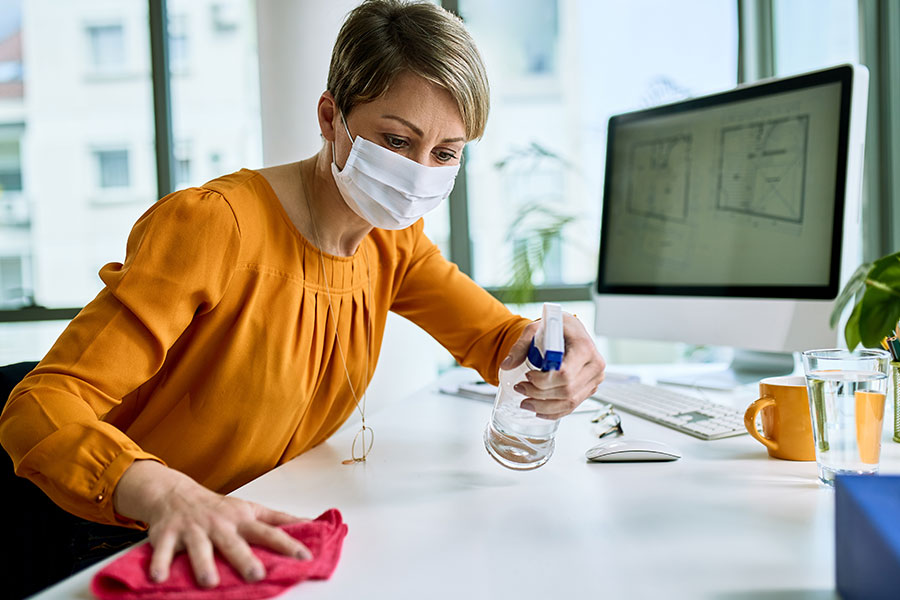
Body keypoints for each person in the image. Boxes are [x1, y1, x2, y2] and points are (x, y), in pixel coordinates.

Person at [0, 0, 606, 596]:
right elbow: (41, 403)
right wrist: (166, 493)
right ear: (329, 116)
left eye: (445, 153)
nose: (419, 173)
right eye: (396, 140)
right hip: (114, 536)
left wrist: (554, 350)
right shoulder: (215, 227)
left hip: (248, 528)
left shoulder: (393, 242)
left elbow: (493, 338)